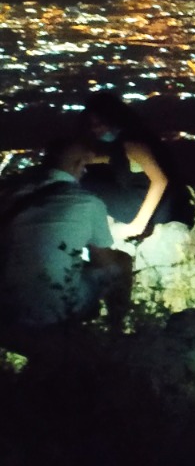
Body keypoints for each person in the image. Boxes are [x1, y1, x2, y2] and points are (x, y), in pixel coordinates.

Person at [0, 139, 134, 333]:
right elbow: (103, 261)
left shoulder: (13, 196)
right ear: (78, 164)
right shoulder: (87, 202)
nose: (85, 171)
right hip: (53, 309)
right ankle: (117, 328)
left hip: (8, 304)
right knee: (121, 262)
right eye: (85, 166)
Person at [80, 92, 193, 243]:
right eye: (92, 125)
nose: (95, 129)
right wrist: (84, 160)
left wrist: (138, 224)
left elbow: (160, 181)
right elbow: (117, 159)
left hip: (152, 209)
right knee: (94, 177)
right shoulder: (129, 139)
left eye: (99, 124)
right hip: (156, 205)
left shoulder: (133, 143)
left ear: (112, 119)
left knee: (86, 183)